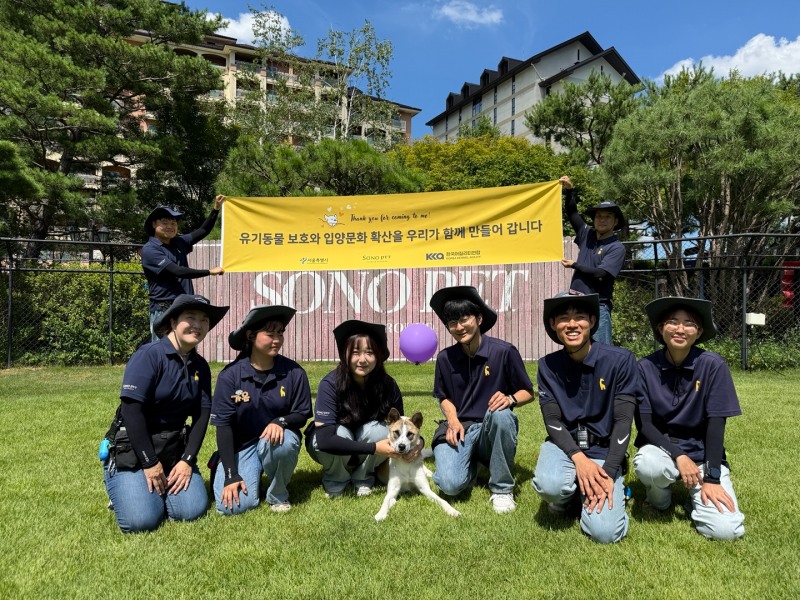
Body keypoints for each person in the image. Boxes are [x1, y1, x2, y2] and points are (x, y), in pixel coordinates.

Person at [101, 294, 229, 533]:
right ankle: (119, 483)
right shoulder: (148, 356)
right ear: (172, 322)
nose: (198, 325)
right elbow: (132, 411)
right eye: (190, 318)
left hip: (173, 449)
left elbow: (203, 413)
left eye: (204, 320)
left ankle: (147, 492)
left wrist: (187, 460)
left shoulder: (200, 365)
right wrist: (150, 463)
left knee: (190, 511)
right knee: (141, 521)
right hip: (136, 449)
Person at [633, 296, 745, 540]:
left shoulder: (713, 365)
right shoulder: (644, 368)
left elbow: (717, 425)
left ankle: (694, 502)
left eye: (689, 324)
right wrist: (678, 455)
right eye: (673, 322)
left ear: (699, 331)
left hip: (703, 457)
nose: (680, 329)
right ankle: (659, 501)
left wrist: (713, 477)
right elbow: (645, 426)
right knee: (648, 464)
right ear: (661, 328)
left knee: (727, 532)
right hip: (661, 450)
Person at [531, 292, 640, 543]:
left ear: (592, 321)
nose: (572, 324)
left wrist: (609, 472)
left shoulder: (620, 360)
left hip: (605, 451)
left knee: (605, 534)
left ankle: (599, 492)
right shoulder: (547, 365)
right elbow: (552, 421)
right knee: (550, 485)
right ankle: (564, 497)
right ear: (553, 325)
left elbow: (624, 422)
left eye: (580, 317)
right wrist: (579, 459)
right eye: (563, 319)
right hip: (566, 446)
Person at [429, 285, 534, 514]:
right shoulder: (445, 358)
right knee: (450, 486)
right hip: (460, 428)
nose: (459, 327)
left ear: (478, 318)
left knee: (502, 414)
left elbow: (528, 391)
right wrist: (453, 420)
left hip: (490, 427)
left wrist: (510, 399)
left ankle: (502, 489)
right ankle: (472, 463)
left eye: (464, 319)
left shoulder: (504, 352)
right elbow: (443, 396)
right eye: (452, 323)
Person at [210, 305, 312, 515]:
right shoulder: (230, 376)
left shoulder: (294, 372)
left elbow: (301, 415)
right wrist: (231, 474)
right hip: (242, 447)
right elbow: (223, 427)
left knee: (284, 443)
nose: (277, 339)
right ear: (251, 335)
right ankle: (231, 469)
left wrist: (280, 422)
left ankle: (277, 494)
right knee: (231, 507)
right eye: (270, 333)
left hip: (275, 441)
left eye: (280, 333)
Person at [305, 320, 410, 498]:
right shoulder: (330, 384)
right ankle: (335, 479)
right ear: (344, 355)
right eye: (355, 352)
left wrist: (419, 443)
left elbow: (402, 428)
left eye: (369, 352)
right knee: (338, 433)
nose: (362, 359)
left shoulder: (388, 385)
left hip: (366, 441)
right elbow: (323, 441)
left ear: (378, 356)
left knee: (378, 430)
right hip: (336, 444)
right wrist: (373, 448)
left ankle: (363, 477)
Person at [141, 195, 226, 342]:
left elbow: (203, 230)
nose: (170, 226)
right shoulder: (150, 250)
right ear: (154, 224)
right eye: (165, 222)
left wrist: (215, 209)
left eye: (173, 223)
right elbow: (177, 271)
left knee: (185, 349)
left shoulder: (178, 242)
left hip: (183, 306)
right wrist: (209, 272)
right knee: (162, 353)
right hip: (163, 309)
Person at [560, 176, 626, 345]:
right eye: (598, 216)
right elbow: (572, 213)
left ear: (616, 221)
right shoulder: (586, 235)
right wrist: (569, 190)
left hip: (598, 307)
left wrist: (575, 265)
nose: (602, 220)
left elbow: (602, 274)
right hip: (576, 303)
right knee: (576, 349)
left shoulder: (616, 247)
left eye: (607, 217)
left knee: (602, 352)